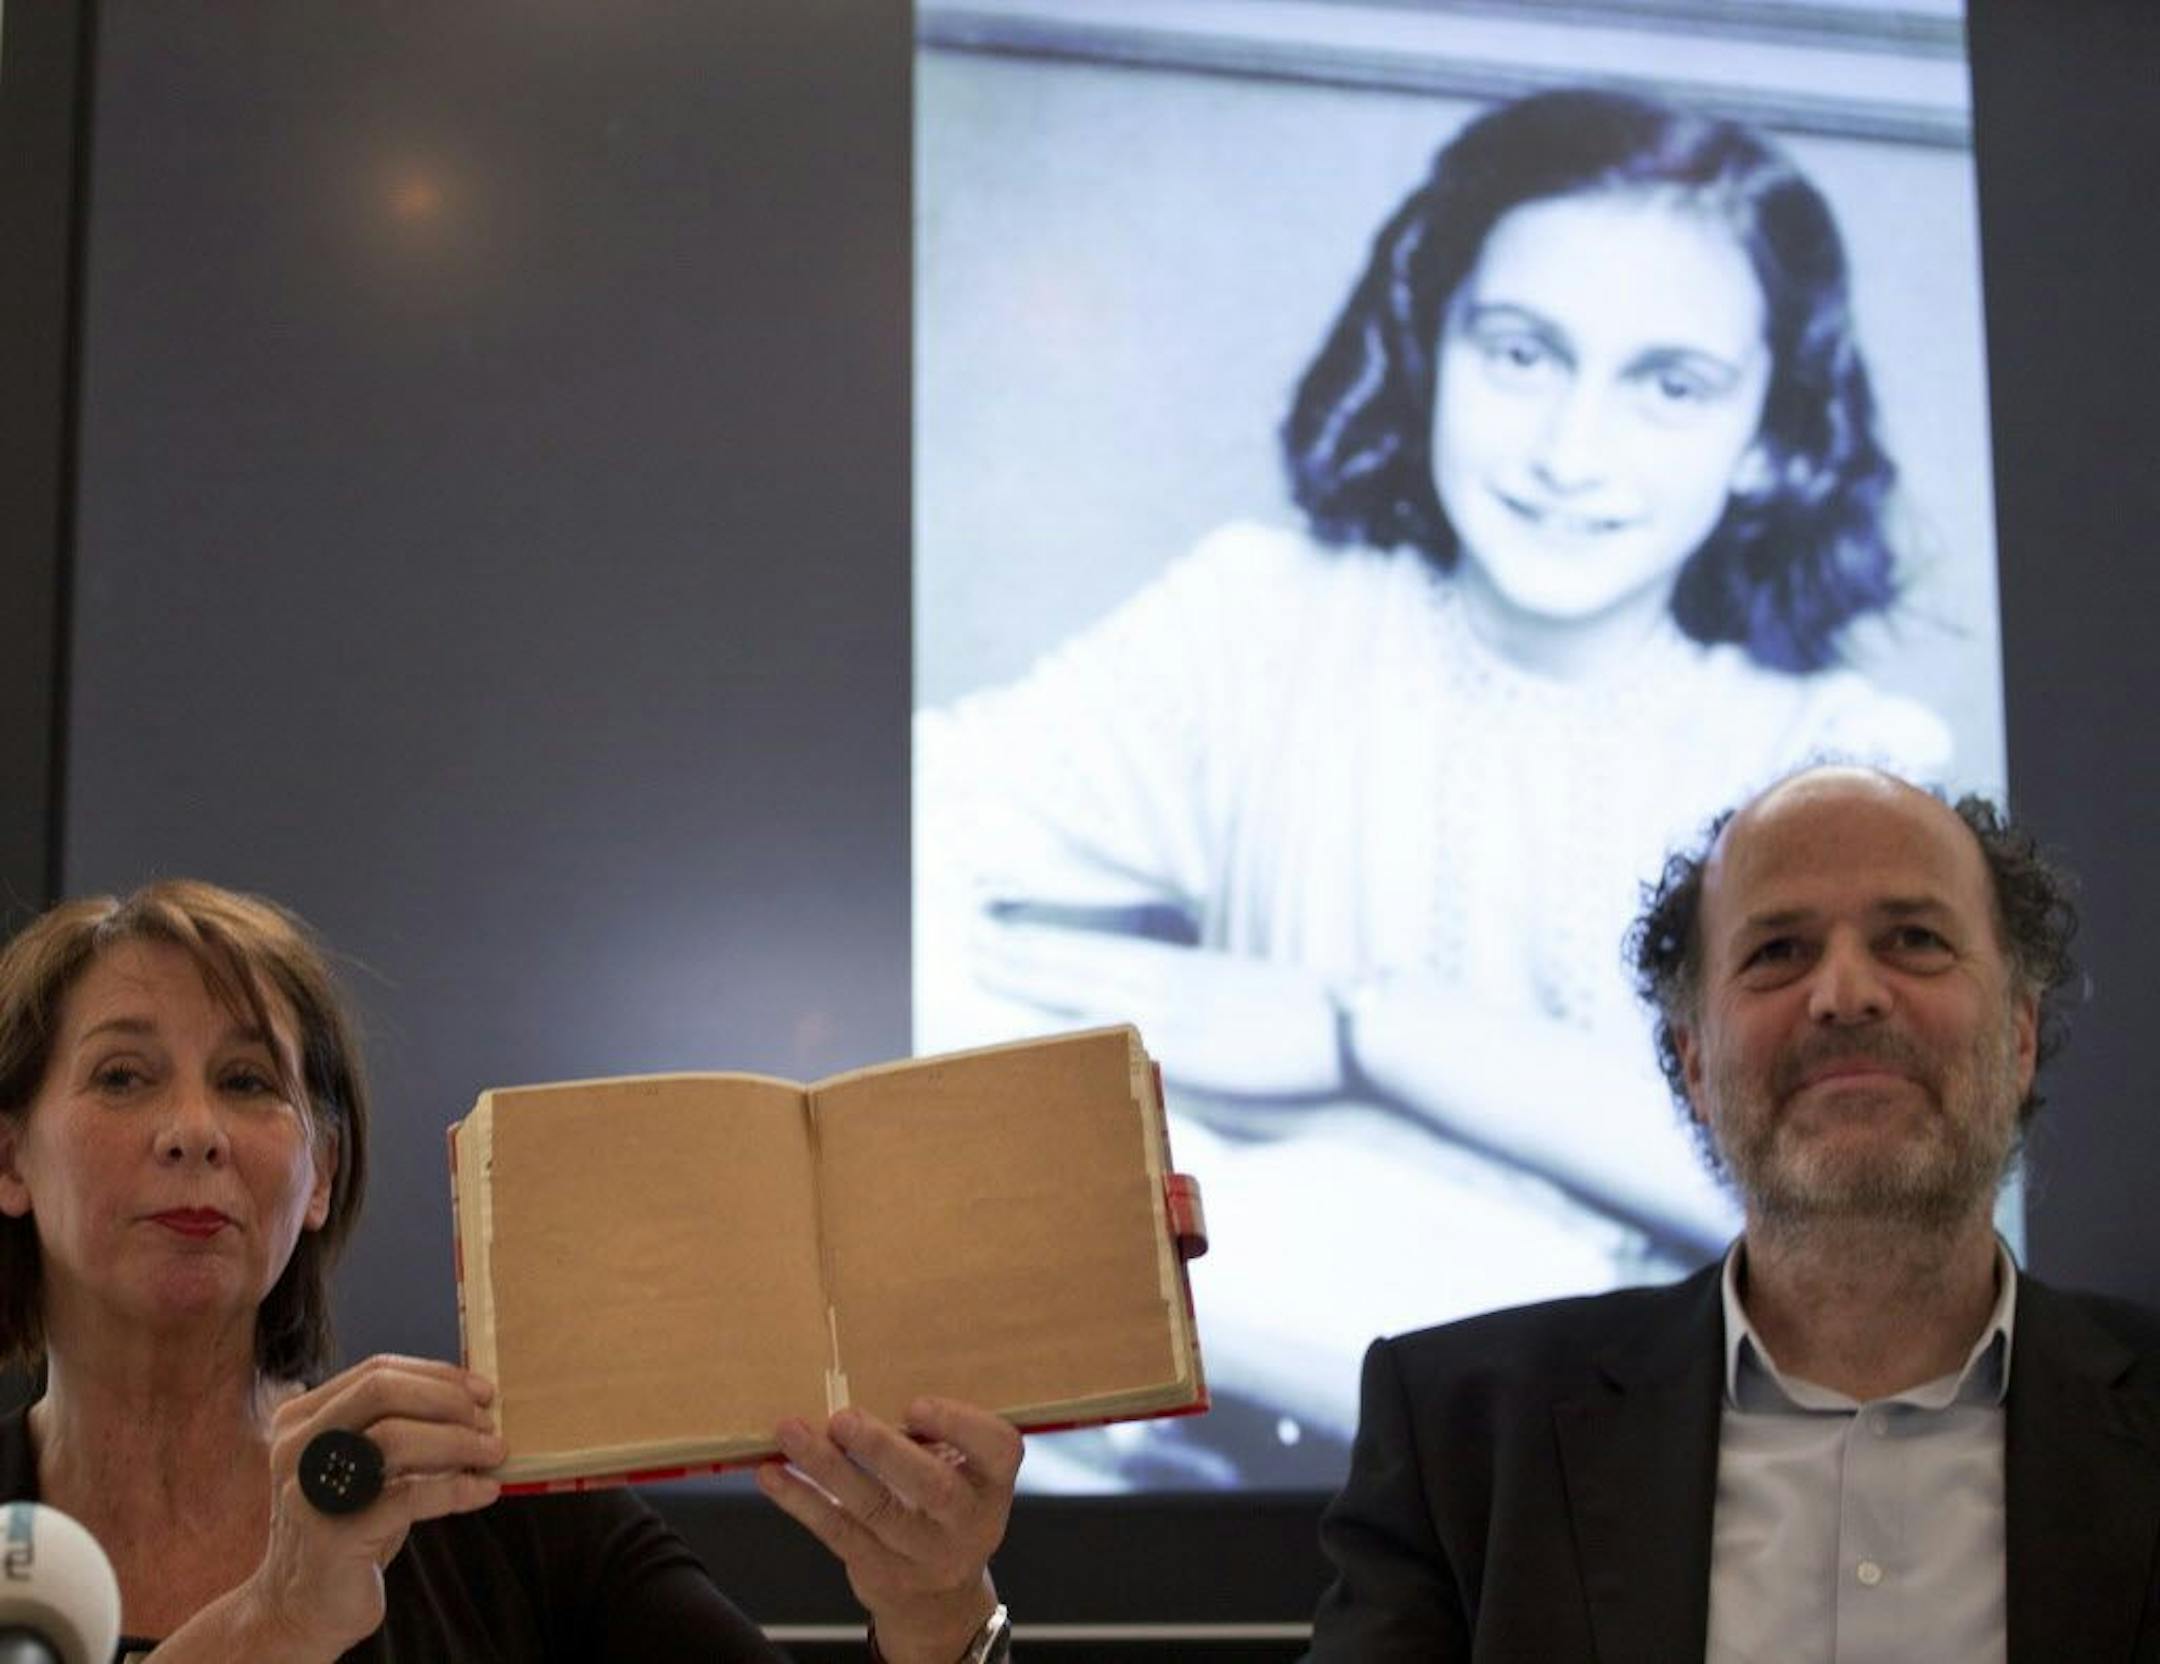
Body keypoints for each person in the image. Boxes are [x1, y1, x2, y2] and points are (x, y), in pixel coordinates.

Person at [916, 86, 1962, 1477]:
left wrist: (1360, 1038)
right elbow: (907, 863)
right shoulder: (1263, 620)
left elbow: (1862, 1194)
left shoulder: (1833, 759)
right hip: (1263, 1463)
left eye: (1669, 384)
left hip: (1640, 1488)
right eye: (1522, 352)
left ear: (1772, 431)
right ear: (1431, 347)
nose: (1571, 451)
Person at [0, 879, 1020, 1662]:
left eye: (246, 1080)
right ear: (10, 1159)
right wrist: (276, 1620)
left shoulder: (501, 1506)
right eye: (122, 1076)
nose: (193, 1130)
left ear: (322, 1175)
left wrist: (938, 1611)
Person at [1306, 764, 2160, 1660]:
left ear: (2020, 1035)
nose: (1846, 994)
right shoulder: (1460, 1444)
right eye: (1778, 952)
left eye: (1913, 939)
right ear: (1695, 1064)